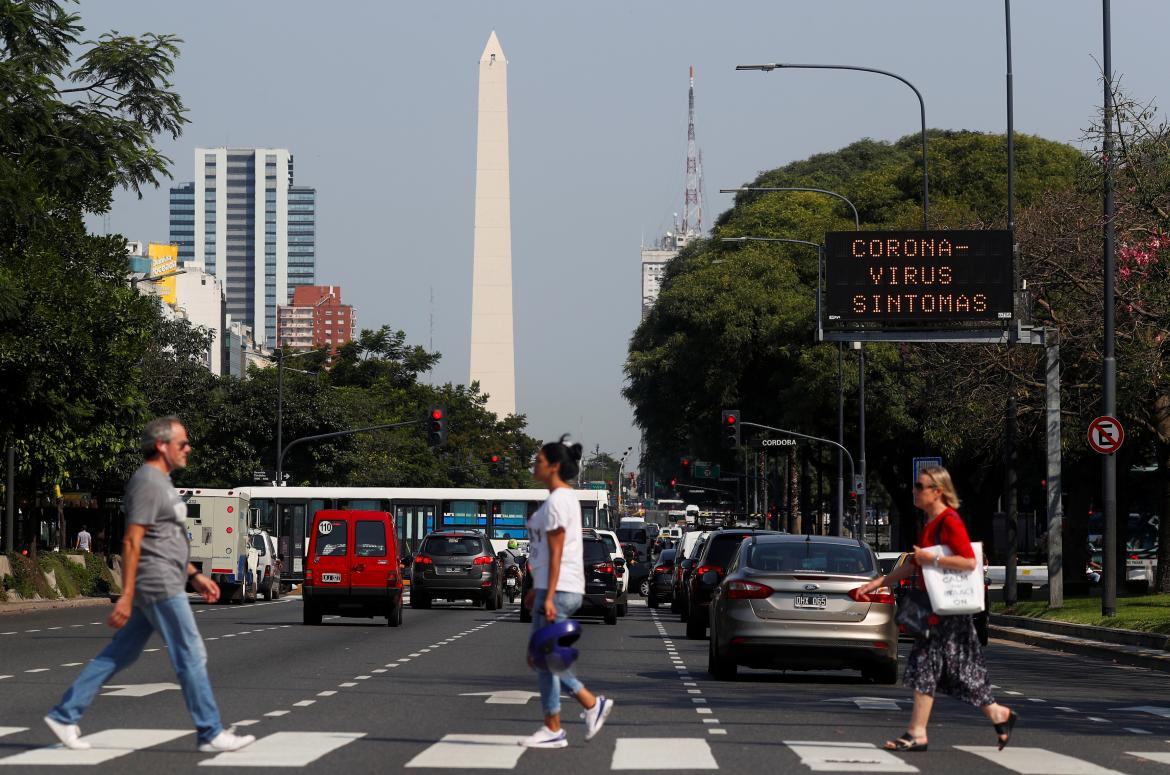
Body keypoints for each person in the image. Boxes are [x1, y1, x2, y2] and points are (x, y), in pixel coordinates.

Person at [44, 416, 255, 753]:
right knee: (191, 653)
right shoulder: (147, 483)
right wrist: (126, 596)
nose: (188, 449)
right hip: (158, 582)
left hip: (168, 577)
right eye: (182, 443)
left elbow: (167, 539)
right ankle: (210, 731)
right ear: (161, 445)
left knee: (120, 653)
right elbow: (133, 541)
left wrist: (195, 575)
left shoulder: (163, 483)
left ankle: (64, 714)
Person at [854, 465, 1016, 752]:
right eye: (915, 486)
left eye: (920, 486)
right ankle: (993, 714)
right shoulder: (931, 523)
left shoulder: (949, 521)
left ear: (938, 491)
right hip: (937, 610)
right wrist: (879, 582)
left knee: (933, 667)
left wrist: (933, 559)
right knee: (949, 668)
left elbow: (968, 561)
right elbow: (914, 564)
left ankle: (920, 732)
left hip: (948, 612)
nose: (914, 491)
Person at [520, 435, 614, 749]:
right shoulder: (557, 499)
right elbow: (545, 553)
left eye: (539, 461)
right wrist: (536, 588)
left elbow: (557, 551)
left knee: (546, 658)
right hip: (551, 587)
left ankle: (562, 722)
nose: (535, 465)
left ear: (554, 466)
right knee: (542, 658)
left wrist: (547, 595)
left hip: (559, 589)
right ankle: (578, 710)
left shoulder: (559, 501)